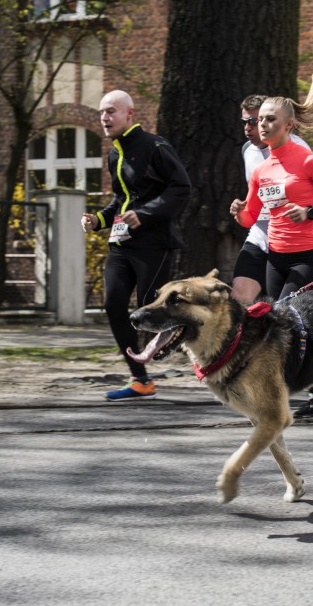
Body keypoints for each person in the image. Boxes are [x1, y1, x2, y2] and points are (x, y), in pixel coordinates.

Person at [230, 71, 313, 418]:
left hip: (307, 258)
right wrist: (239, 212)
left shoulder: (308, 159)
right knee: (274, 323)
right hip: (275, 256)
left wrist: (312, 210)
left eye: (270, 120)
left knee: (283, 318)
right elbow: (251, 218)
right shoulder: (260, 169)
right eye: (260, 120)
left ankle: (281, 391)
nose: (262, 125)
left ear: (289, 126)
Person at [82, 89, 191, 400]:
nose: (104, 117)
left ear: (130, 114)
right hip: (121, 243)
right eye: (102, 111)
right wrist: (98, 220)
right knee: (114, 305)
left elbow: (181, 187)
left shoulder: (154, 146)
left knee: (149, 307)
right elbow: (121, 198)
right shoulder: (115, 153)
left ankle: (199, 339)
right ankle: (140, 379)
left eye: (111, 111)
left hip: (153, 242)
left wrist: (144, 213)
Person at [231, 94, 311, 305]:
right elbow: (255, 195)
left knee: (286, 309)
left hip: (292, 243)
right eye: (244, 122)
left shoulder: (299, 150)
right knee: (238, 298)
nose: (247, 128)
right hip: (260, 236)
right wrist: (243, 209)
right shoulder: (248, 150)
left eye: (253, 121)